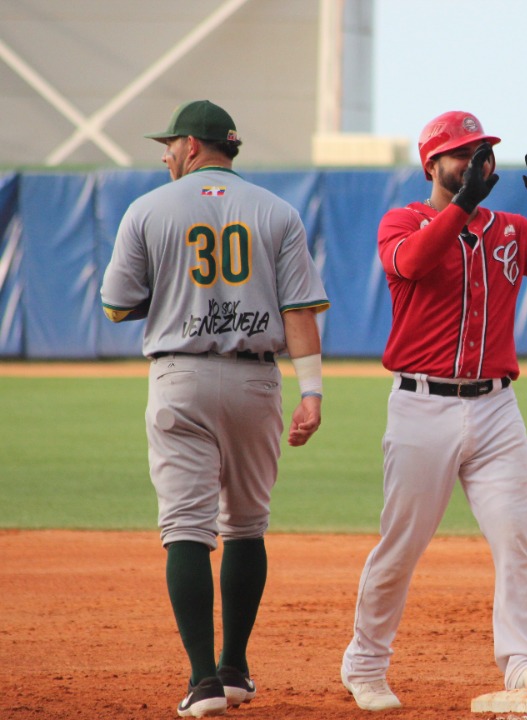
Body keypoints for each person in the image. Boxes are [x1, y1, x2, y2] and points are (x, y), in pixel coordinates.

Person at [100, 99, 329, 718]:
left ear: (194, 146)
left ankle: (203, 683)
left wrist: (179, 288)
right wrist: (312, 392)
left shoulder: (147, 209)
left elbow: (117, 306)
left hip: (180, 376)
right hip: (257, 380)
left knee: (187, 527)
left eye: (170, 144)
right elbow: (300, 311)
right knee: (247, 525)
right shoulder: (277, 211)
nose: (166, 154)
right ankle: (235, 669)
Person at [339, 110, 527, 712]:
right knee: (402, 543)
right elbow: (412, 263)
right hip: (421, 408)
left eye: (482, 150)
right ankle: (364, 662)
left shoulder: (510, 229)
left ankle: (521, 659)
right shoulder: (402, 221)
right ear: (431, 164)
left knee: (515, 536)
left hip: (497, 409)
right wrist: (462, 205)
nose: (475, 161)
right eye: (462, 153)